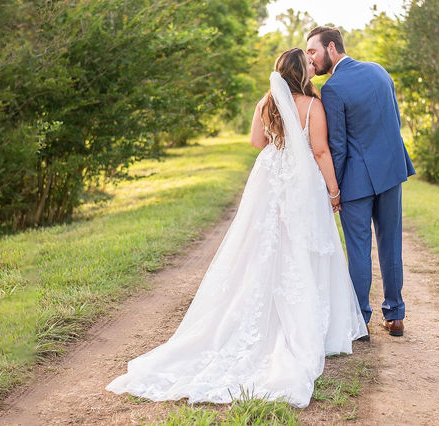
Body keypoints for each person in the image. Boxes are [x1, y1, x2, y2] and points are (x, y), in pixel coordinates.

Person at [105, 48, 367, 408]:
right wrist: (334, 192)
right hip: (299, 180)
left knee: (264, 244)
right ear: (300, 73)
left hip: (270, 176)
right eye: (308, 64)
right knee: (302, 245)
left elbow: (257, 143)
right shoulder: (312, 105)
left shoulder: (266, 103)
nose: (313, 66)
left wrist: (279, 132)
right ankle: (309, 326)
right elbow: (320, 152)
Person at [306, 26, 416, 338]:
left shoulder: (333, 88)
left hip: (356, 181)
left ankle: (360, 320)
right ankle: (395, 316)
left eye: (313, 51)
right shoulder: (379, 71)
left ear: (331, 48)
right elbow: (394, 121)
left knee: (358, 250)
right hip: (391, 172)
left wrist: (334, 189)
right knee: (391, 244)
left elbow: (338, 146)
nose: (310, 59)